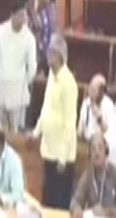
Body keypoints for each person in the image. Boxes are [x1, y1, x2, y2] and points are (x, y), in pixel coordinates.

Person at [31, 33, 78, 210]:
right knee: (47, 201)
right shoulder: (51, 76)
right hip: (49, 150)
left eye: (51, 52)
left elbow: (70, 122)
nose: (47, 55)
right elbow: (46, 107)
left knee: (59, 204)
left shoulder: (69, 83)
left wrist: (62, 158)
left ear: (59, 55)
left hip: (61, 157)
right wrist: (36, 132)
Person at [0, 0, 37, 133]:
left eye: (25, 15)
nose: (23, 19)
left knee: (15, 132)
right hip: (0, 87)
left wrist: (24, 82)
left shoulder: (29, 38)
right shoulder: (0, 31)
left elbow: (32, 67)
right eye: (20, 15)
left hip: (18, 92)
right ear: (12, 15)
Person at [70, 132, 116, 218]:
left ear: (106, 151)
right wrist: (76, 208)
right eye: (93, 149)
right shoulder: (88, 176)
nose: (96, 153)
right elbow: (76, 201)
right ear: (90, 155)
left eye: (100, 148)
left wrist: (106, 212)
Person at [27, 0, 57, 71]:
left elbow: (53, 28)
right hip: (35, 49)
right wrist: (34, 11)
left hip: (48, 48)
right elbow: (31, 29)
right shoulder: (30, 8)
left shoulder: (51, 7)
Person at [77, 74, 115, 142]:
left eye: (93, 89)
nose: (90, 91)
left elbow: (111, 135)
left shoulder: (109, 105)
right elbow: (80, 131)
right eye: (90, 87)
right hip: (86, 144)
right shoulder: (86, 103)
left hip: (101, 145)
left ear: (102, 91)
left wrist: (99, 119)